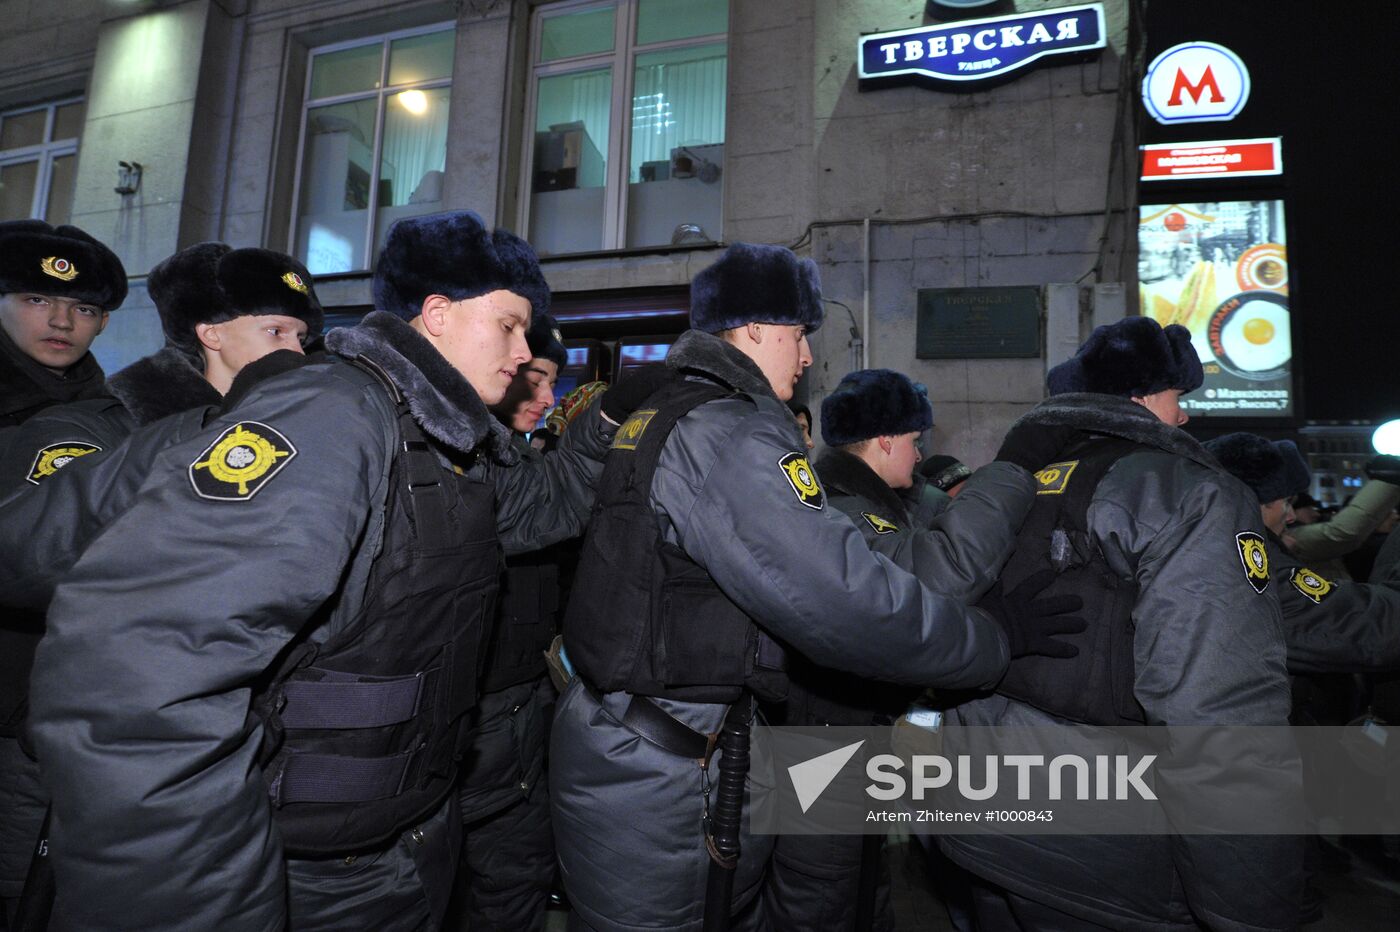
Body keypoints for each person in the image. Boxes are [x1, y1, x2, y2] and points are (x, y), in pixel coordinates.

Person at [26, 211, 639, 930]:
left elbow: (541, 507)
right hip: (307, 874)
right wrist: (211, 905)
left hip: (391, 849)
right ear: (437, 315)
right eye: (507, 324)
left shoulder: (441, 435)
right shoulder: (334, 414)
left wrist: (611, 418)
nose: (522, 347)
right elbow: (140, 674)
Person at [551, 242, 1069, 932]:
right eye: (799, 335)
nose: (804, 357)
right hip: (664, 774)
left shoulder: (672, 412)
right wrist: (992, 643)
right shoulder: (729, 432)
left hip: (648, 749)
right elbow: (847, 606)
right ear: (757, 328)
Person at [938, 316, 1303, 930]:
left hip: (986, 822)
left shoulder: (1016, 483)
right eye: (1176, 397)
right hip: (1106, 855)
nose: (1183, 417)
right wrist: (1255, 907)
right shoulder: (1191, 493)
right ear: (1138, 397)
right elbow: (1218, 714)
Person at [0, 243, 321, 926]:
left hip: (206, 743)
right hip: (62, 736)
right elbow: (44, 558)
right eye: (275, 331)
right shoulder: (97, 429)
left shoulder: (286, 434)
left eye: (301, 333)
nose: (296, 348)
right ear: (208, 333)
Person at [764, 368, 1077, 932]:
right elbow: (937, 575)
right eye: (914, 440)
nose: (920, 453)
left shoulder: (879, 500)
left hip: (850, 732)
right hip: (822, 739)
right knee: (822, 894)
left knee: (864, 885)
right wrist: (1010, 470)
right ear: (884, 439)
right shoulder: (839, 510)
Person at [0, 220, 125, 924]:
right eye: (35, 297)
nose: (60, 320)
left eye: (83, 308)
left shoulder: (107, 417)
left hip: (45, 713)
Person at [453, 313, 569, 930]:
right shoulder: (471, 468)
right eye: (534, 378)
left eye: (551, 381)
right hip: (482, 715)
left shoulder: (533, 468)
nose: (546, 397)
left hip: (527, 707)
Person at [0, 221, 126, 430]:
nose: (62, 322)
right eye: (37, 301)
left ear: (102, 323)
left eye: (84, 310)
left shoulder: (119, 417)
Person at [1287, 458, 1400, 580]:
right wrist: (1386, 480)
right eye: (1310, 508)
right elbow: (1341, 533)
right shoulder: (1290, 539)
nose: (1316, 514)